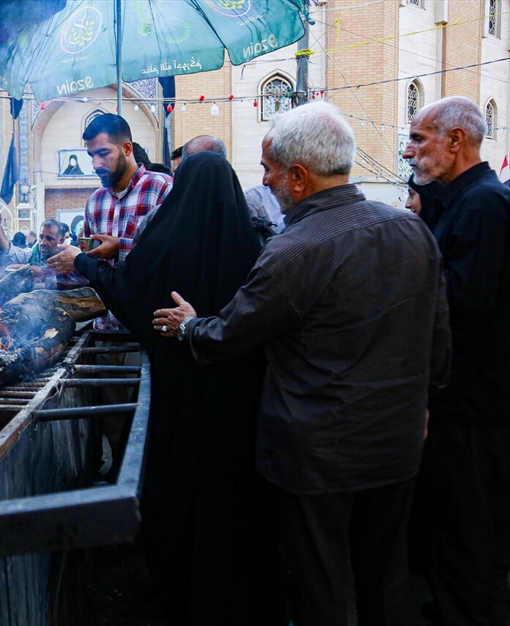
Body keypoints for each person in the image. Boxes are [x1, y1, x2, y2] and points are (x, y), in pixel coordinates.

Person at [153, 101, 451, 625]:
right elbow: (438, 337)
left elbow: (230, 335)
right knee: (385, 577)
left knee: (322, 585)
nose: (263, 180)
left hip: (320, 456)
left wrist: (188, 325)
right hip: (398, 443)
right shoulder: (411, 231)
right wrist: (425, 401)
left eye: (268, 169)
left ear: (297, 176)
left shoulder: (297, 247)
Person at [54, 152, 282, 624]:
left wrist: (84, 262)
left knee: (177, 488)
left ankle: (178, 589)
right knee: (225, 495)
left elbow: (133, 295)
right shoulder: (254, 245)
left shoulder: (167, 239)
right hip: (236, 395)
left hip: (180, 390)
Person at [402, 95, 510, 626]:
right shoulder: (462, 201)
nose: (409, 150)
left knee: (474, 527)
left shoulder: (485, 204)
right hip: (460, 399)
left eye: (419, 138)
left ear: (455, 140)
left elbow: (467, 299)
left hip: (477, 403)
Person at [54, 113, 172, 332]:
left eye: (103, 153)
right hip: (104, 325)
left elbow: (172, 257)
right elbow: (89, 268)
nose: (96, 164)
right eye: (91, 155)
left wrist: (122, 248)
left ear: (126, 149)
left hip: (148, 328)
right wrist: (66, 264)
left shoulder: (163, 189)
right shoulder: (95, 202)